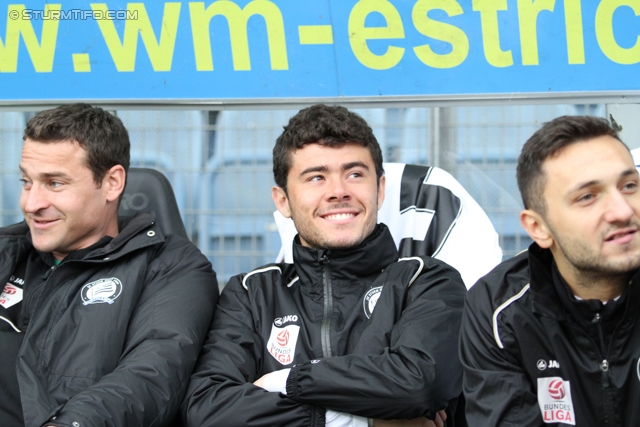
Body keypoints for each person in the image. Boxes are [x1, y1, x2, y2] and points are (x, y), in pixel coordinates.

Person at [182, 104, 466, 427]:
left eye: (355, 174)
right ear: (283, 200)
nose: (338, 192)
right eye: (316, 177)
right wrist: (365, 422)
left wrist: (286, 382)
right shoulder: (251, 294)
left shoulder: (426, 281)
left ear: (380, 189)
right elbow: (209, 409)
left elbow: (419, 384)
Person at [0, 103, 218, 427]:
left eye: (55, 183)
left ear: (113, 183)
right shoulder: (8, 248)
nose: (32, 204)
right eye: (26, 182)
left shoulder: (169, 267)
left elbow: (149, 378)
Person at [460, 115, 640, 426]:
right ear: (538, 227)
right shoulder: (500, 309)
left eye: (629, 185)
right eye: (587, 197)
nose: (623, 211)